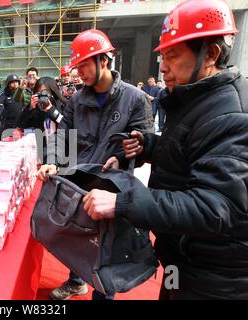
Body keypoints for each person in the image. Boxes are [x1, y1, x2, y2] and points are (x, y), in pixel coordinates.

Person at [84, 0, 248, 300]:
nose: (162, 66)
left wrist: (123, 204)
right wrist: (149, 146)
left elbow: (214, 208)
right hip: (181, 258)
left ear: (210, 54)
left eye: (172, 56)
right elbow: (190, 154)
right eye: (163, 56)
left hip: (215, 277)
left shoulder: (232, 114)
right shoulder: (195, 98)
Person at [37, 29, 153, 301]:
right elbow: (63, 134)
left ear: (104, 60)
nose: (80, 72)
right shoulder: (77, 99)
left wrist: (123, 157)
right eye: (77, 66)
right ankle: (76, 282)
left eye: (85, 64)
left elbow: (144, 145)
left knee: (105, 251)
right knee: (77, 239)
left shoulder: (134, 99)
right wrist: (52, 162)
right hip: (80, 182)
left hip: (112, 189)